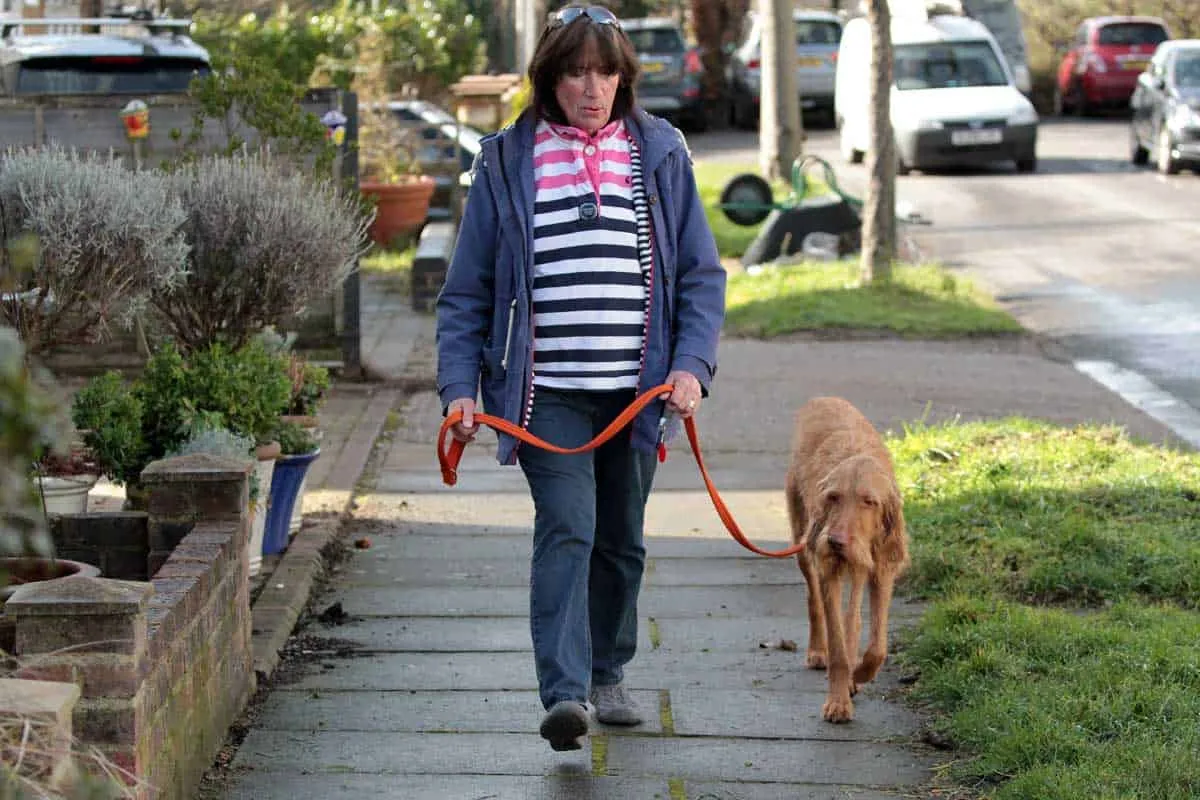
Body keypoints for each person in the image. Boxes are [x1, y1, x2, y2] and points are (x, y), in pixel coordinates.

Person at [435, 3, 726, 753]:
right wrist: (460, 387)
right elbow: (466, 292)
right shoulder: (506, 160)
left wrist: (691, 366)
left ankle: (608, 671)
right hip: (545, 395)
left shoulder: (659, 153)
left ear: (624, 78)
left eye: (605, 72)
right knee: (569, 526)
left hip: (638, 393)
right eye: (575, 72)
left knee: (621, 540)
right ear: (550, 78)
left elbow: (700, 275)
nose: (591, 88)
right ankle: (564, 694)